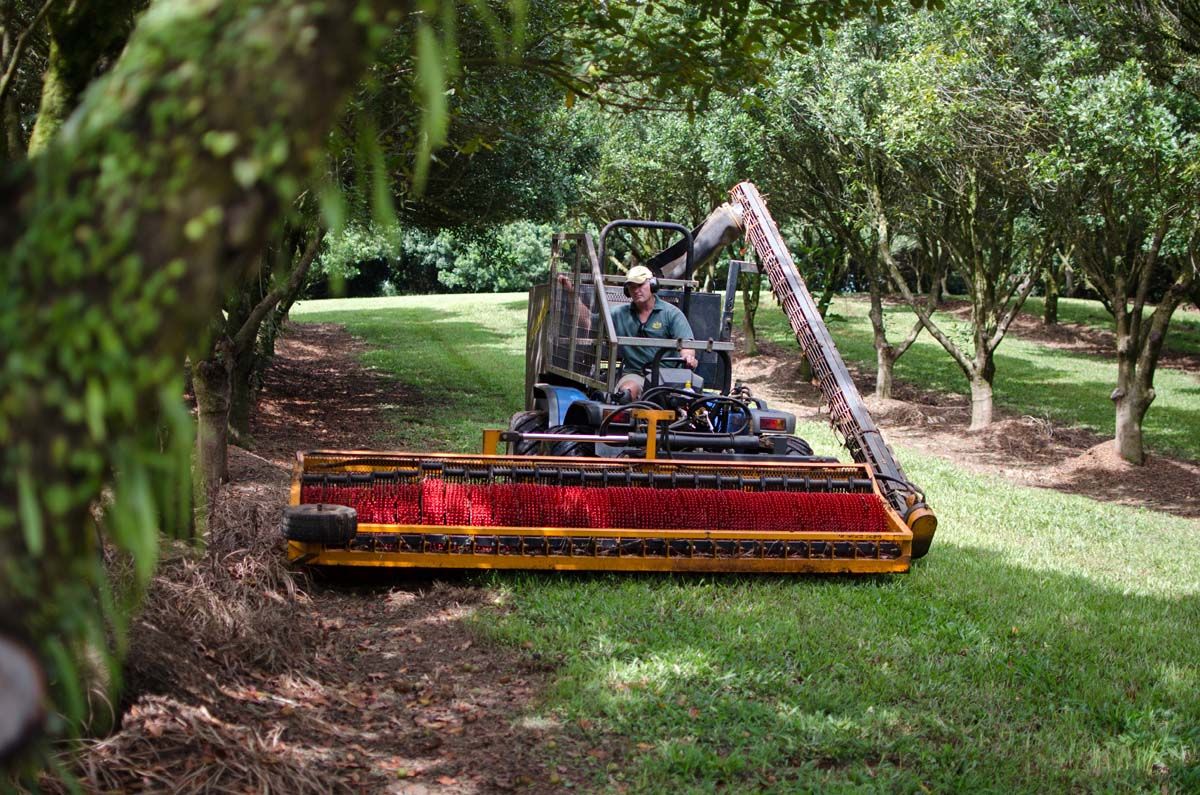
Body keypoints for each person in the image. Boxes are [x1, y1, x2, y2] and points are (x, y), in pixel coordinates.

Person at [610, 265, 697, 400]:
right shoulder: (617, 314)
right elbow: (588, 322)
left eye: (640, 285)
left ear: (652, 285)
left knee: (685, 402)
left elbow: (686, 344)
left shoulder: (671, 313)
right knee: (627, 393)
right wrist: (571, 293)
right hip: (636, 374)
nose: (636, 290)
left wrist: (688, 357)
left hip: (668, 376)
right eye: (632, 287)